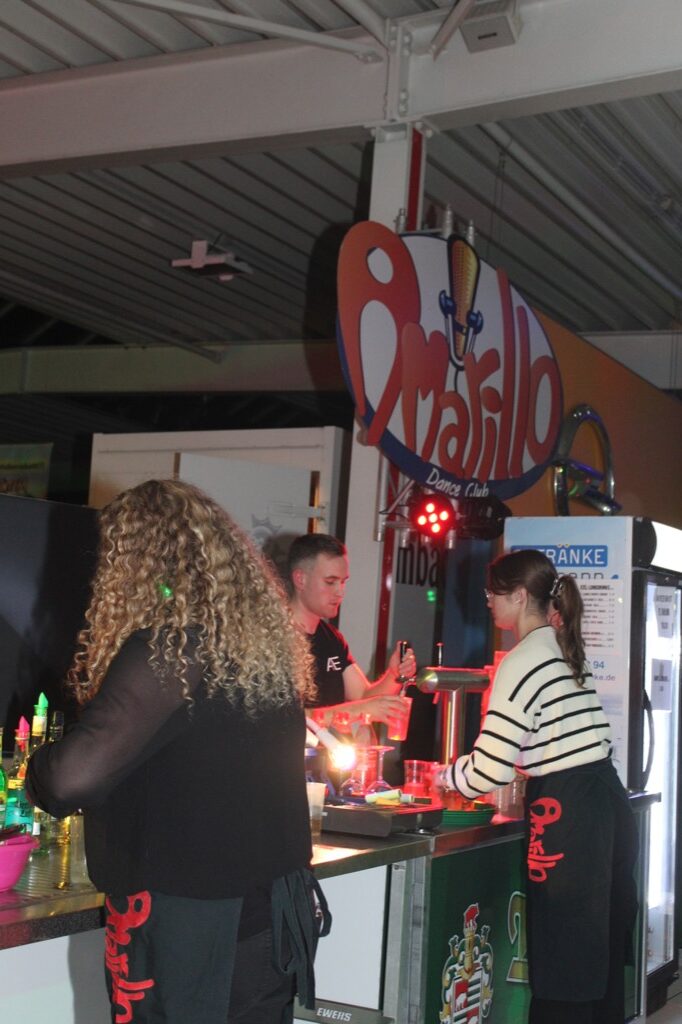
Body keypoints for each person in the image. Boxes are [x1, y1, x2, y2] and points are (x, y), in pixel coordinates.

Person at [26, 479, 330, 1024]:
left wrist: (36, 767)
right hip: (266, 917)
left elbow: (71, 779)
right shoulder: (256, 653)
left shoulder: (170, 652)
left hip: (193, 926)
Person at [436, 548, 637, 1024]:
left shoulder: (522, 659)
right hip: (605, 800)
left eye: (494, 592)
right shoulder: (562, 644)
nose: (487, 600)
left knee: (564, 966)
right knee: (599, 961)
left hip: (568, 814)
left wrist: (446, 776)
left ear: (521, 596)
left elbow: (488, 771)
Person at [287, 533, 415, 730]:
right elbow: (282, 720)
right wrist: (359, 710)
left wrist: (394, 674)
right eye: (330, 582)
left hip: (328, 750)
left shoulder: (331, 638)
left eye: (343, 582)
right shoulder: (272, 638)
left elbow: (363, 696)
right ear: (300, 579)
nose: (340, 592)